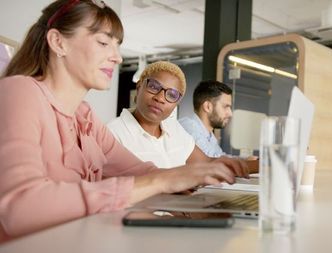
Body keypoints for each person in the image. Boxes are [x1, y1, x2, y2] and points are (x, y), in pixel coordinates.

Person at [0, 0, 247, 242]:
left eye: (117, 45)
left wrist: (196, 198)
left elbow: (139, 172)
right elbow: (19, 207)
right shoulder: (19, 92)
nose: (117, 57)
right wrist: (163, 181)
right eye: (103, 42)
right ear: (58, 42)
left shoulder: (84, 117)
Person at [107, 61, 246, 169]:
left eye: (171, 95)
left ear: (176, 104)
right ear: (138, 88)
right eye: (154, 87)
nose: (160, 98)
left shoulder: (174, 128)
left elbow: (207, 163)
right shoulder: (112, 134)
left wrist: (261, 166)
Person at [179, 80, 233, 158]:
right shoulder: (188, 126)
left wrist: (248, 160)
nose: (230, 113)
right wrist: (245, 162)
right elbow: (210, 160)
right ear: (208, 107)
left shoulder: (210, 136)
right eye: (225, 107)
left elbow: (220, 156)